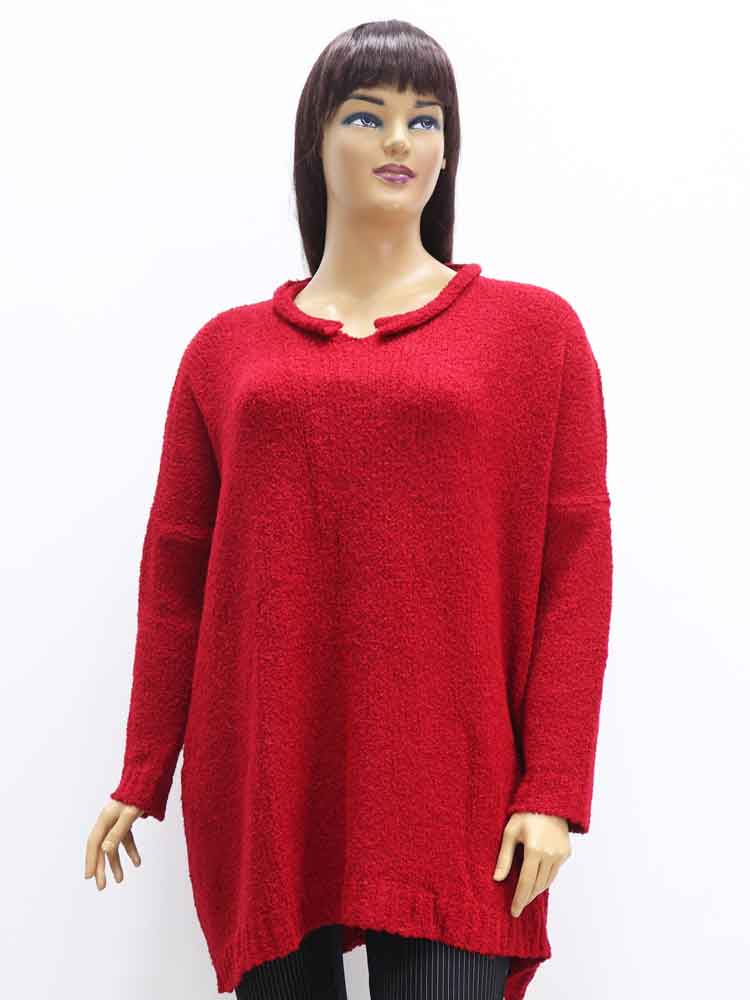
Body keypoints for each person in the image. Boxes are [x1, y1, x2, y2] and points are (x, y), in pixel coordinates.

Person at [84, 19, 613, 1000]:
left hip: (455, 787)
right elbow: (176, 574)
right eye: (366, 115)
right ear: (316, 142)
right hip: (269, 778)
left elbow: (574, 570)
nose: (399, 138)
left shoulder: (534, 335)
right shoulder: (225, 353)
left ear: (448, 150)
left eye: (426, 118)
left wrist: (552, 787)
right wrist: (143, 770)